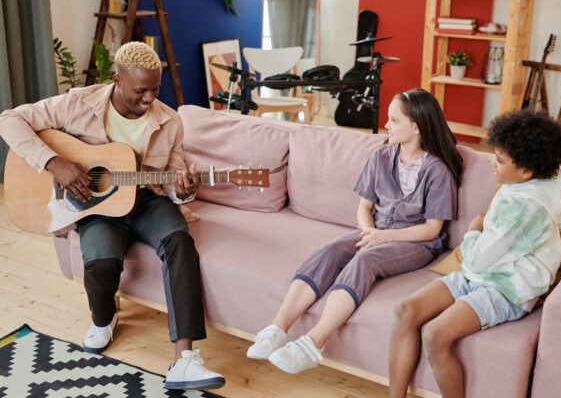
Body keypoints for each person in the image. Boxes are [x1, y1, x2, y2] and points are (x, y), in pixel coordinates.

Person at [0, 42, 225, 391]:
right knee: (100, 262)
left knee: (180, 242)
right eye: (141, 90)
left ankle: (184, 358)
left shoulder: (170, 121)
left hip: (148, 202)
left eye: (155, 89)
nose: (149, 99)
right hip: (97, 207)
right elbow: (9, 119)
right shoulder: (77, 104)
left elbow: (174, 177)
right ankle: (105, 318)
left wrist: (183, 189)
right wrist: (55, 163)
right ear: (117, 79)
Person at [246, 88, 464, 374]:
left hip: (416, 242)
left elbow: (432, 228)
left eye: (394, 120)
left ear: (416, 126)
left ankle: (314, 343)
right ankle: (277, 328)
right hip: (376, 231)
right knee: (330, 250)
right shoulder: (381, 157)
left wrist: (381, 238)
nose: (387, 126)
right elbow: (364, 208)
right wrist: (369, 233)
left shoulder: (437, 171)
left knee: (364, 260)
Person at [388, 109, 561, 398]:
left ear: (526, 170)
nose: (492, 164)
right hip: (479, 275)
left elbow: (476, 257)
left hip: (505, 289)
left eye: (500, 160)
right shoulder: (535, 183)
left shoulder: (525, 206)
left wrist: (474, 230)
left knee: (435, 334)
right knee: (405, 310)